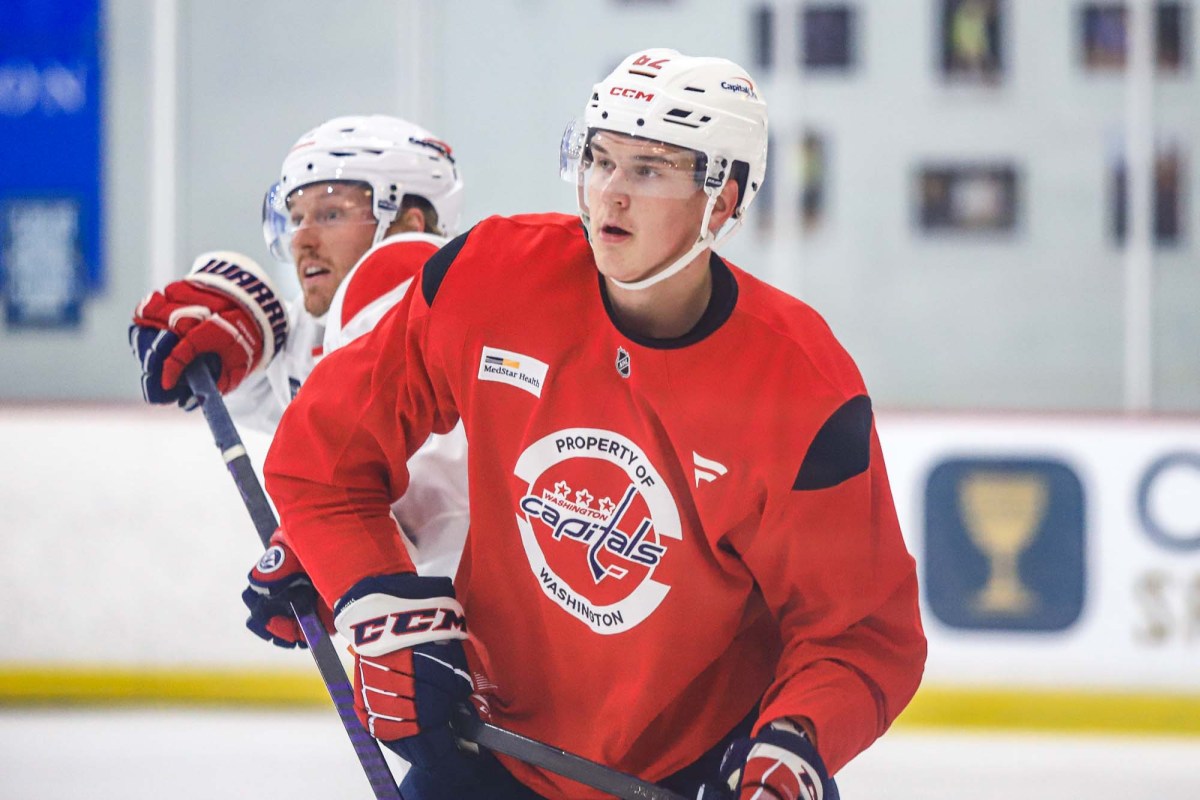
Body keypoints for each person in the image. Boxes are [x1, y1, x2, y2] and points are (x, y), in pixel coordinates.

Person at [263, 49, 927, 800]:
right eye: (599, 159)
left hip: (697, 771)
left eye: (648, 170)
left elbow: (861, 633)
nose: (608, 194)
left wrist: (796, 744)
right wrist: (371, 591)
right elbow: (322, 458)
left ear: (724, 198)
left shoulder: (800, 387)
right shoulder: (492, 278)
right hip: (487, 747)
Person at [129, 115, 471, 641]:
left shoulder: (436, 306)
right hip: (432, 635)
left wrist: (328, 545)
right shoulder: (323, 326)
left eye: (331, 213)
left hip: (490, 629)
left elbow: (442, 483)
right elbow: (300, 418)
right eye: (294, 216)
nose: (302, 240)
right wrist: (244, 347)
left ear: (409, 224)